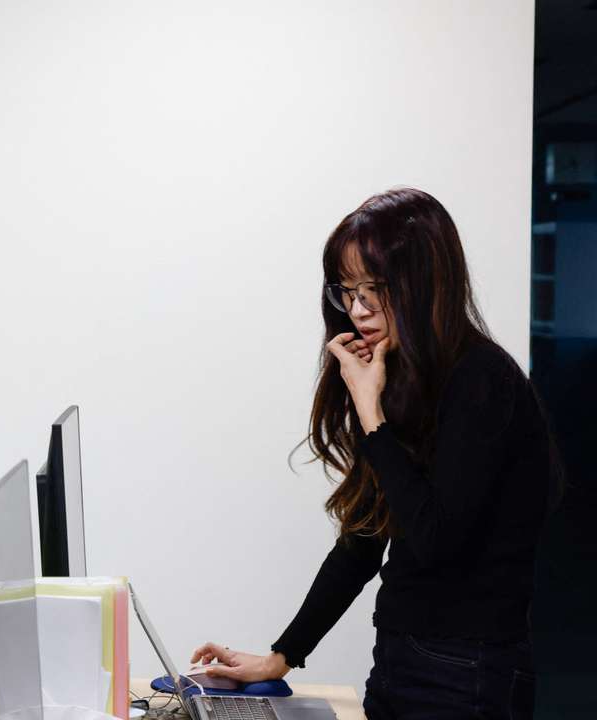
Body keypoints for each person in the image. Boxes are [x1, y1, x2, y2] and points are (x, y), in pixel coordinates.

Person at [190, 188, 552, 719]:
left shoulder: (482, 379)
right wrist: (281, 657)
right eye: (348, 291)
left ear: (425, 282)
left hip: (468, 674)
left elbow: (435, 540)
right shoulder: (401, 380)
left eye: (375, 290)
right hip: (399, 661)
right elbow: (363, 540)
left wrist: (371, 415)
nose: (358, 310)